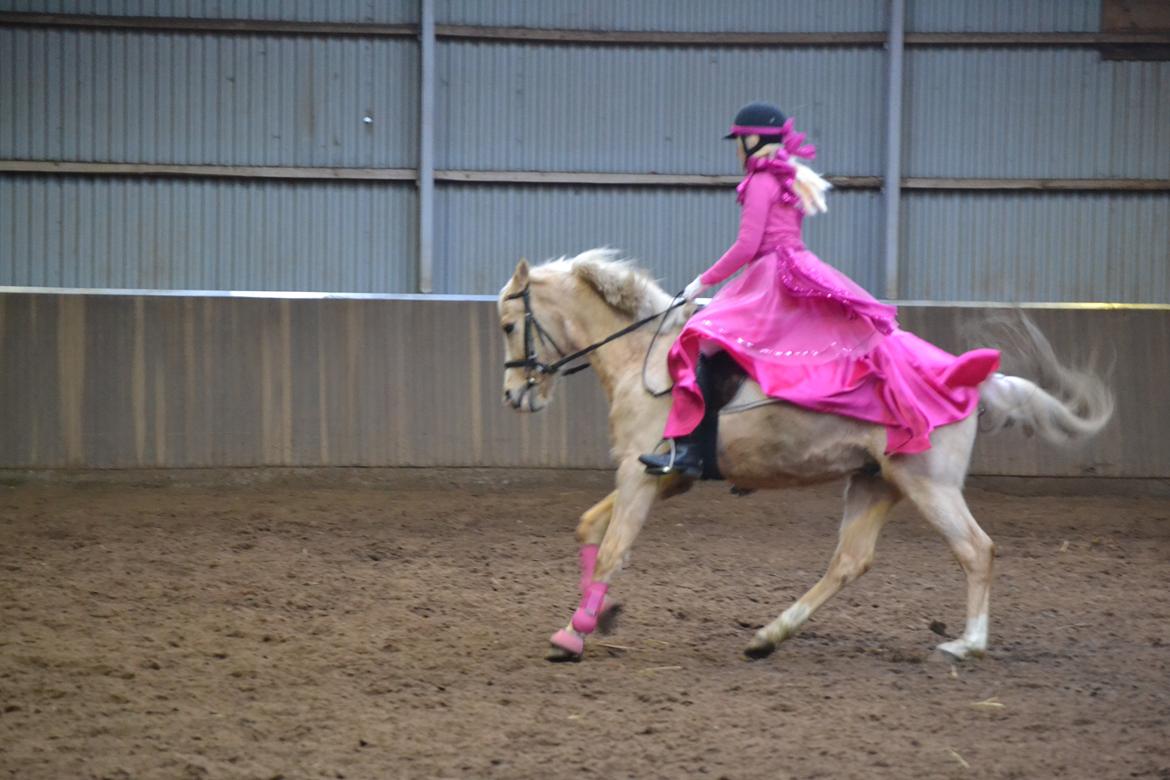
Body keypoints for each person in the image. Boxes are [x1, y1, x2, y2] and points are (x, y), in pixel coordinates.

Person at [639, 102, 1001, 478]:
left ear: (752, 140)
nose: (736, 151)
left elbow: (746, 247)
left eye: (738, 141)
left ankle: (690, 452)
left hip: (770, 277)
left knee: (702, 343)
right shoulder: (788, 176)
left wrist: (700, 283)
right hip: (797, 269)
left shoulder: (760, 180)